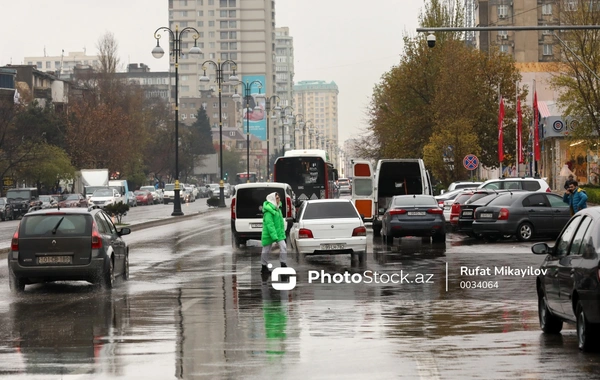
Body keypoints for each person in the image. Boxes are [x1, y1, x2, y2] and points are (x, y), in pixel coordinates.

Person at [261, 192, 287, 276]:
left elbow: (280, 223)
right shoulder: (269, 211)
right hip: (269, 234)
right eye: (277, 198)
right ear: (272, 199)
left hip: (278, 233)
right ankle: (264, 267)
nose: (279, 199)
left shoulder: (277, 209)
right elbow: (270, 225)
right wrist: (274, 236)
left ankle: (283, 264)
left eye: (279, 198)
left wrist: (282, 234)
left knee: (284, 247)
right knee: (266, 250)